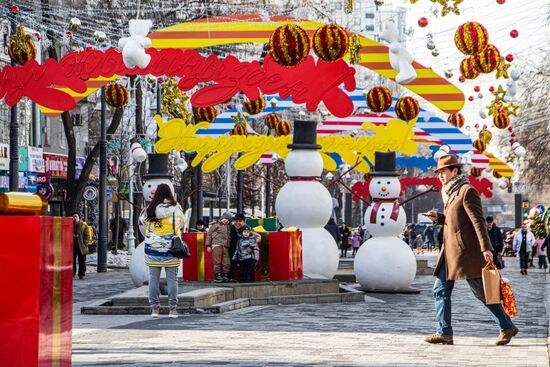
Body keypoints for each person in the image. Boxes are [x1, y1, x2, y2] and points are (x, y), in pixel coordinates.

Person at [424, 154, 517, 346]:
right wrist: (438, 218)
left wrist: (486, 248)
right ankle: (444, 332)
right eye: (439, 173)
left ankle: (506, 326)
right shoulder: (451, 192)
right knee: (440, 291)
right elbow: (455, 221)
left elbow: (478, 222)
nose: (441, 176)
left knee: (482, 293)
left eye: (444, 172)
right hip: (448, 253)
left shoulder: (467, 191)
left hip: (466, 253)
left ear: (454, 171)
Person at [144, 184, 184, 318]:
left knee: (153, 280)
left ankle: (154, 309)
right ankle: (172, 309)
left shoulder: (150, 208)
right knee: (172, 280)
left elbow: (143, 223)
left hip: (153, 249)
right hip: (171, 249)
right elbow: (182, 223)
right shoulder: (176, 208)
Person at [206, 212, 233, 282]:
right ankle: (217, 276)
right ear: (222, 218)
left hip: (225, 246)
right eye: (225, 218)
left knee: (226, 261)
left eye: (228, 219)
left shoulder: (228, 227)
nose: (226, 220)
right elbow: (209, 235)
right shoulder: (215, 225)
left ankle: (225, 275)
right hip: (216, 245)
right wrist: (208, 245)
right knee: (217, 261)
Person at [73, 212, 90, 280]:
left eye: (76, 216)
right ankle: (72, 273)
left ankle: (81, 274)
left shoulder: (83, 225)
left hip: (81, 246)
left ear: (79, 217)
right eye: (73, 216)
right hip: (73, 245)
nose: (74, 218)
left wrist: (85, 244)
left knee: (82, 260)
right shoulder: (71, 224)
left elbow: (87, 236)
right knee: (72, 261)